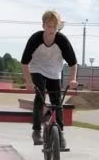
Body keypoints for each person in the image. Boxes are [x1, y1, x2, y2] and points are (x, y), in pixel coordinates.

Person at [20, 10, 78, 148]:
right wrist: (28, 81)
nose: (51, 30)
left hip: (54, 72)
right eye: (48, 26)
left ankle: (60, 131)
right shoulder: (35, 39)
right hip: (37, 69)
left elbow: (73, 63)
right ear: (43, 26)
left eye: (54, 26)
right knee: (40, 95)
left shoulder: (62, 40)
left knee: (57, 101)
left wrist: (73, 79)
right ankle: (36, 131)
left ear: (57, 26)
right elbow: (24, 63)